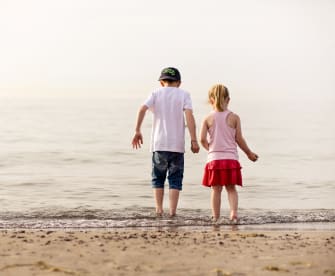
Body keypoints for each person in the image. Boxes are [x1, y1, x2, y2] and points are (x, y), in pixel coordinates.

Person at [132, 67, 200, 217]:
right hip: (177, 146)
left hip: (159, 144)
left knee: (158, 178)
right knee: (175, 179)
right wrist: (194, 139)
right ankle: (173, 212)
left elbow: (142, 109)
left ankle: (159, 209)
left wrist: (137, 130)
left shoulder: (155, 93)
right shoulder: (184, 94)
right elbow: (190, 116)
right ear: (179, 82)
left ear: (162, 82)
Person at [200, 84, 258, 223]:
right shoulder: (234, 117)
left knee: (216, 190)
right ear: (228, 99)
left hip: (214, 160)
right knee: (231, 189)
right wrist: (249, 153)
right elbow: (239, 139)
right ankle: (233, 214)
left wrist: (211, 150)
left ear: (210, 100)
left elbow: (202, 139)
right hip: (231, 159)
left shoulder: (207, 118)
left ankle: (216, 217)